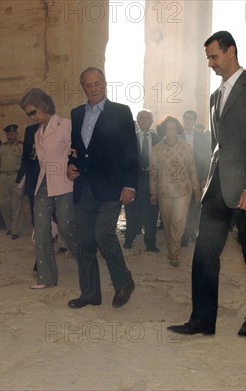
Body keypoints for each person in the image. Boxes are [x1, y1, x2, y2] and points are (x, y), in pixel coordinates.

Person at [168, 31, 246, 337]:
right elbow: (219, 144)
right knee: (204, 254)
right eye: (208, 58)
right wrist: (208, 178)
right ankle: (202, 319)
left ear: (231, 52)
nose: (211, 64)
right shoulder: (215, 96)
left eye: (214, 57)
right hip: (216, 188)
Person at [67, 67, 138, 309]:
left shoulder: (121, 112)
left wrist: (130, 185)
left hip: (112, 187)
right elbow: (76, 148)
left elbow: (131, 151)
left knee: (103, 234)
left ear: (105, 84)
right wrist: (70, 165)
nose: (93, 89)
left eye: (97, 83)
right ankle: (90, 294)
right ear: (83, 88)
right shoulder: (76, 114)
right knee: (84, 241)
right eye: (88, 85)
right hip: (84, 187)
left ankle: (123, 282)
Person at [21, 88, 79, 289]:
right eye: (28, 114)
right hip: (44, 184)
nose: (31, 117)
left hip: (64, 182)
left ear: (44, 106)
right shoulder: (37, 133)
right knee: (41, 229)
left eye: (33, 112)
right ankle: (46, 278)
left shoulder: (66, 125)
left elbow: (76, 151)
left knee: (65, 225)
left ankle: (86, 261)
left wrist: (73, 168)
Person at [150, 116, 200, 266]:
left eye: (173, 128)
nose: (170, 131)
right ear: (163, 130)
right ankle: (172, 248)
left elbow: (192, 169)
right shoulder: (156, 149)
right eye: (167, 128)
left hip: (183, 192)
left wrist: (196, 188)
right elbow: (153, 172)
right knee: (167, 222)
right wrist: (153, 192)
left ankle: (174, 254)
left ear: (177, 130)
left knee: (178, 223)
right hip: (164, 192)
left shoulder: (186, 147)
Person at [124, 109, 162, 252]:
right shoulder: (130, 138)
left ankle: (150, 244)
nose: (144, 120)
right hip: (134, 181)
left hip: (153, 181)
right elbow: (125, 162)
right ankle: (128, 240)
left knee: (152, 213)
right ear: (137, 121)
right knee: (131, 212)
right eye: (141, 118)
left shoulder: (159, 139)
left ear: (151, 121)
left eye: (147, 118)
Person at [180, 110, 211, 247]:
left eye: (191, 119)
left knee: (194, 206)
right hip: (179, 179)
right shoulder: (176, 136)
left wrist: (205, 177)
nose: (188, 121)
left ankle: (191, 232)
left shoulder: (201, 138)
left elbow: (206, 158)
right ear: (183, 119)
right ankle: (182, 236)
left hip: (197, 178)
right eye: (186, 118)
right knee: (181, 208)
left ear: (194, 121)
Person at [0, 124, 24, 240]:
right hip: (3, 177)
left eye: (12, 134)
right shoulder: (2, 147)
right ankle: (10, 226)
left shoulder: (21, 147)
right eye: (8, 134)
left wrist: (22, 180)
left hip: (16, 177)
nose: (10, 136)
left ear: (16, 134)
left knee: (17, 205)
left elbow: (24, 165)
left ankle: (15, 230)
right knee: (3, 203)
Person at [16, 123, 40, 225]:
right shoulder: (30, 129)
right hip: (31, 170)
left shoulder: (57, 126)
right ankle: (36, 224)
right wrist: (20, 174)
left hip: (47, 171)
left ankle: (53, 228)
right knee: (32, 199)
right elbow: (26, 153)